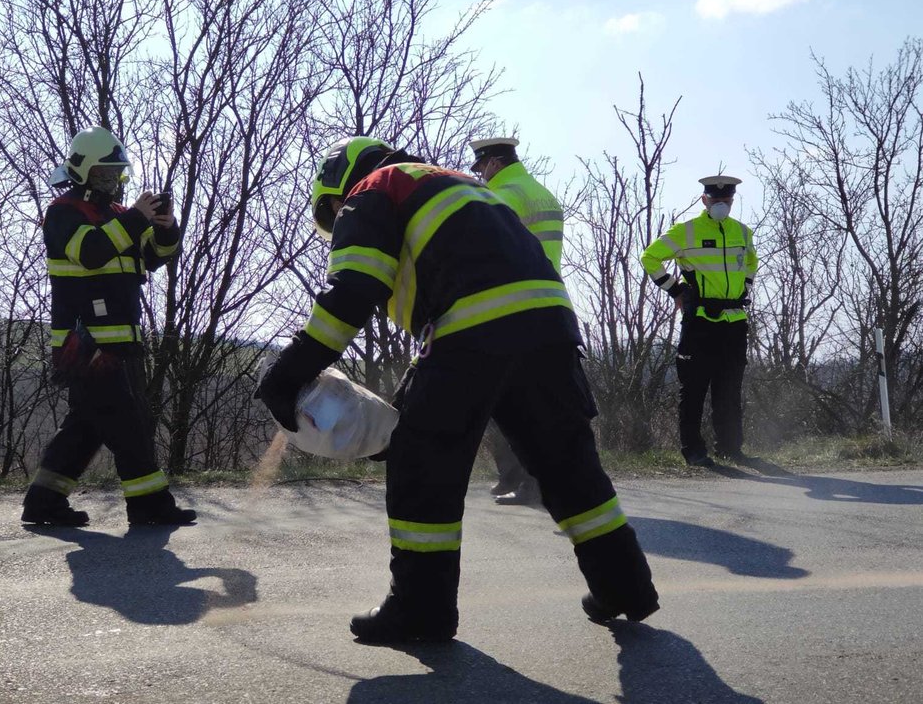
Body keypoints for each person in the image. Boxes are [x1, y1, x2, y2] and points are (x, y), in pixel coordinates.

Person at [259, 136, 658, 644]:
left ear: (339, 187)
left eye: (334, 214)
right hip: (550, 329)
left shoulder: (373, 190)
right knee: (567, 465)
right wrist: (409, 401)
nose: (340, 222)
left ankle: (421, 611)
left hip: (471, 330)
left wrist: (289, 372)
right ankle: (626, 588)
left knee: (421, 467)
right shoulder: (463, 185)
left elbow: (356, 287)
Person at [21, 126, 196, 527]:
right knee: (127, 424)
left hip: (119, 344)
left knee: (84, 428)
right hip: (85, 346)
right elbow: (92, 251)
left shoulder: (120, 216)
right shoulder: (63, 211)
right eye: (104, 173)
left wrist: (166, 227)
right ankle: (149, 505)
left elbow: (153, 257)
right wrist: (137, 217)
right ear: (82, 172)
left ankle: (44, 501)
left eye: (117, 172)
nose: (113, 180)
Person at [469, 136, 565, 506]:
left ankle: (532, 483)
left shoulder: (504, 194)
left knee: (508, 403)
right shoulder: (540, 193)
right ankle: (520, 476)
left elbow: (489, 254)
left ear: (493, 163)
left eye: (481, 169)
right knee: (533, 401)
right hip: (546, 304)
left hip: (512, 308)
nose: (481, 176)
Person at [640, 175, 758, 467]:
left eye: (726, 200)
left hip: (735, 320)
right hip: (701, 322)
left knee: (729, 389)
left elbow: (752, 262)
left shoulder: (742, 232)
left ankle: (730, 448)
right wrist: (674, 289)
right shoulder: (686, 231)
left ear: (732, 201)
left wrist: (747, 286)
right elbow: (649, 257)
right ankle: (693, 450)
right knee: (693, 389)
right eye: (716, 200)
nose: (721, 205)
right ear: (705, 200)